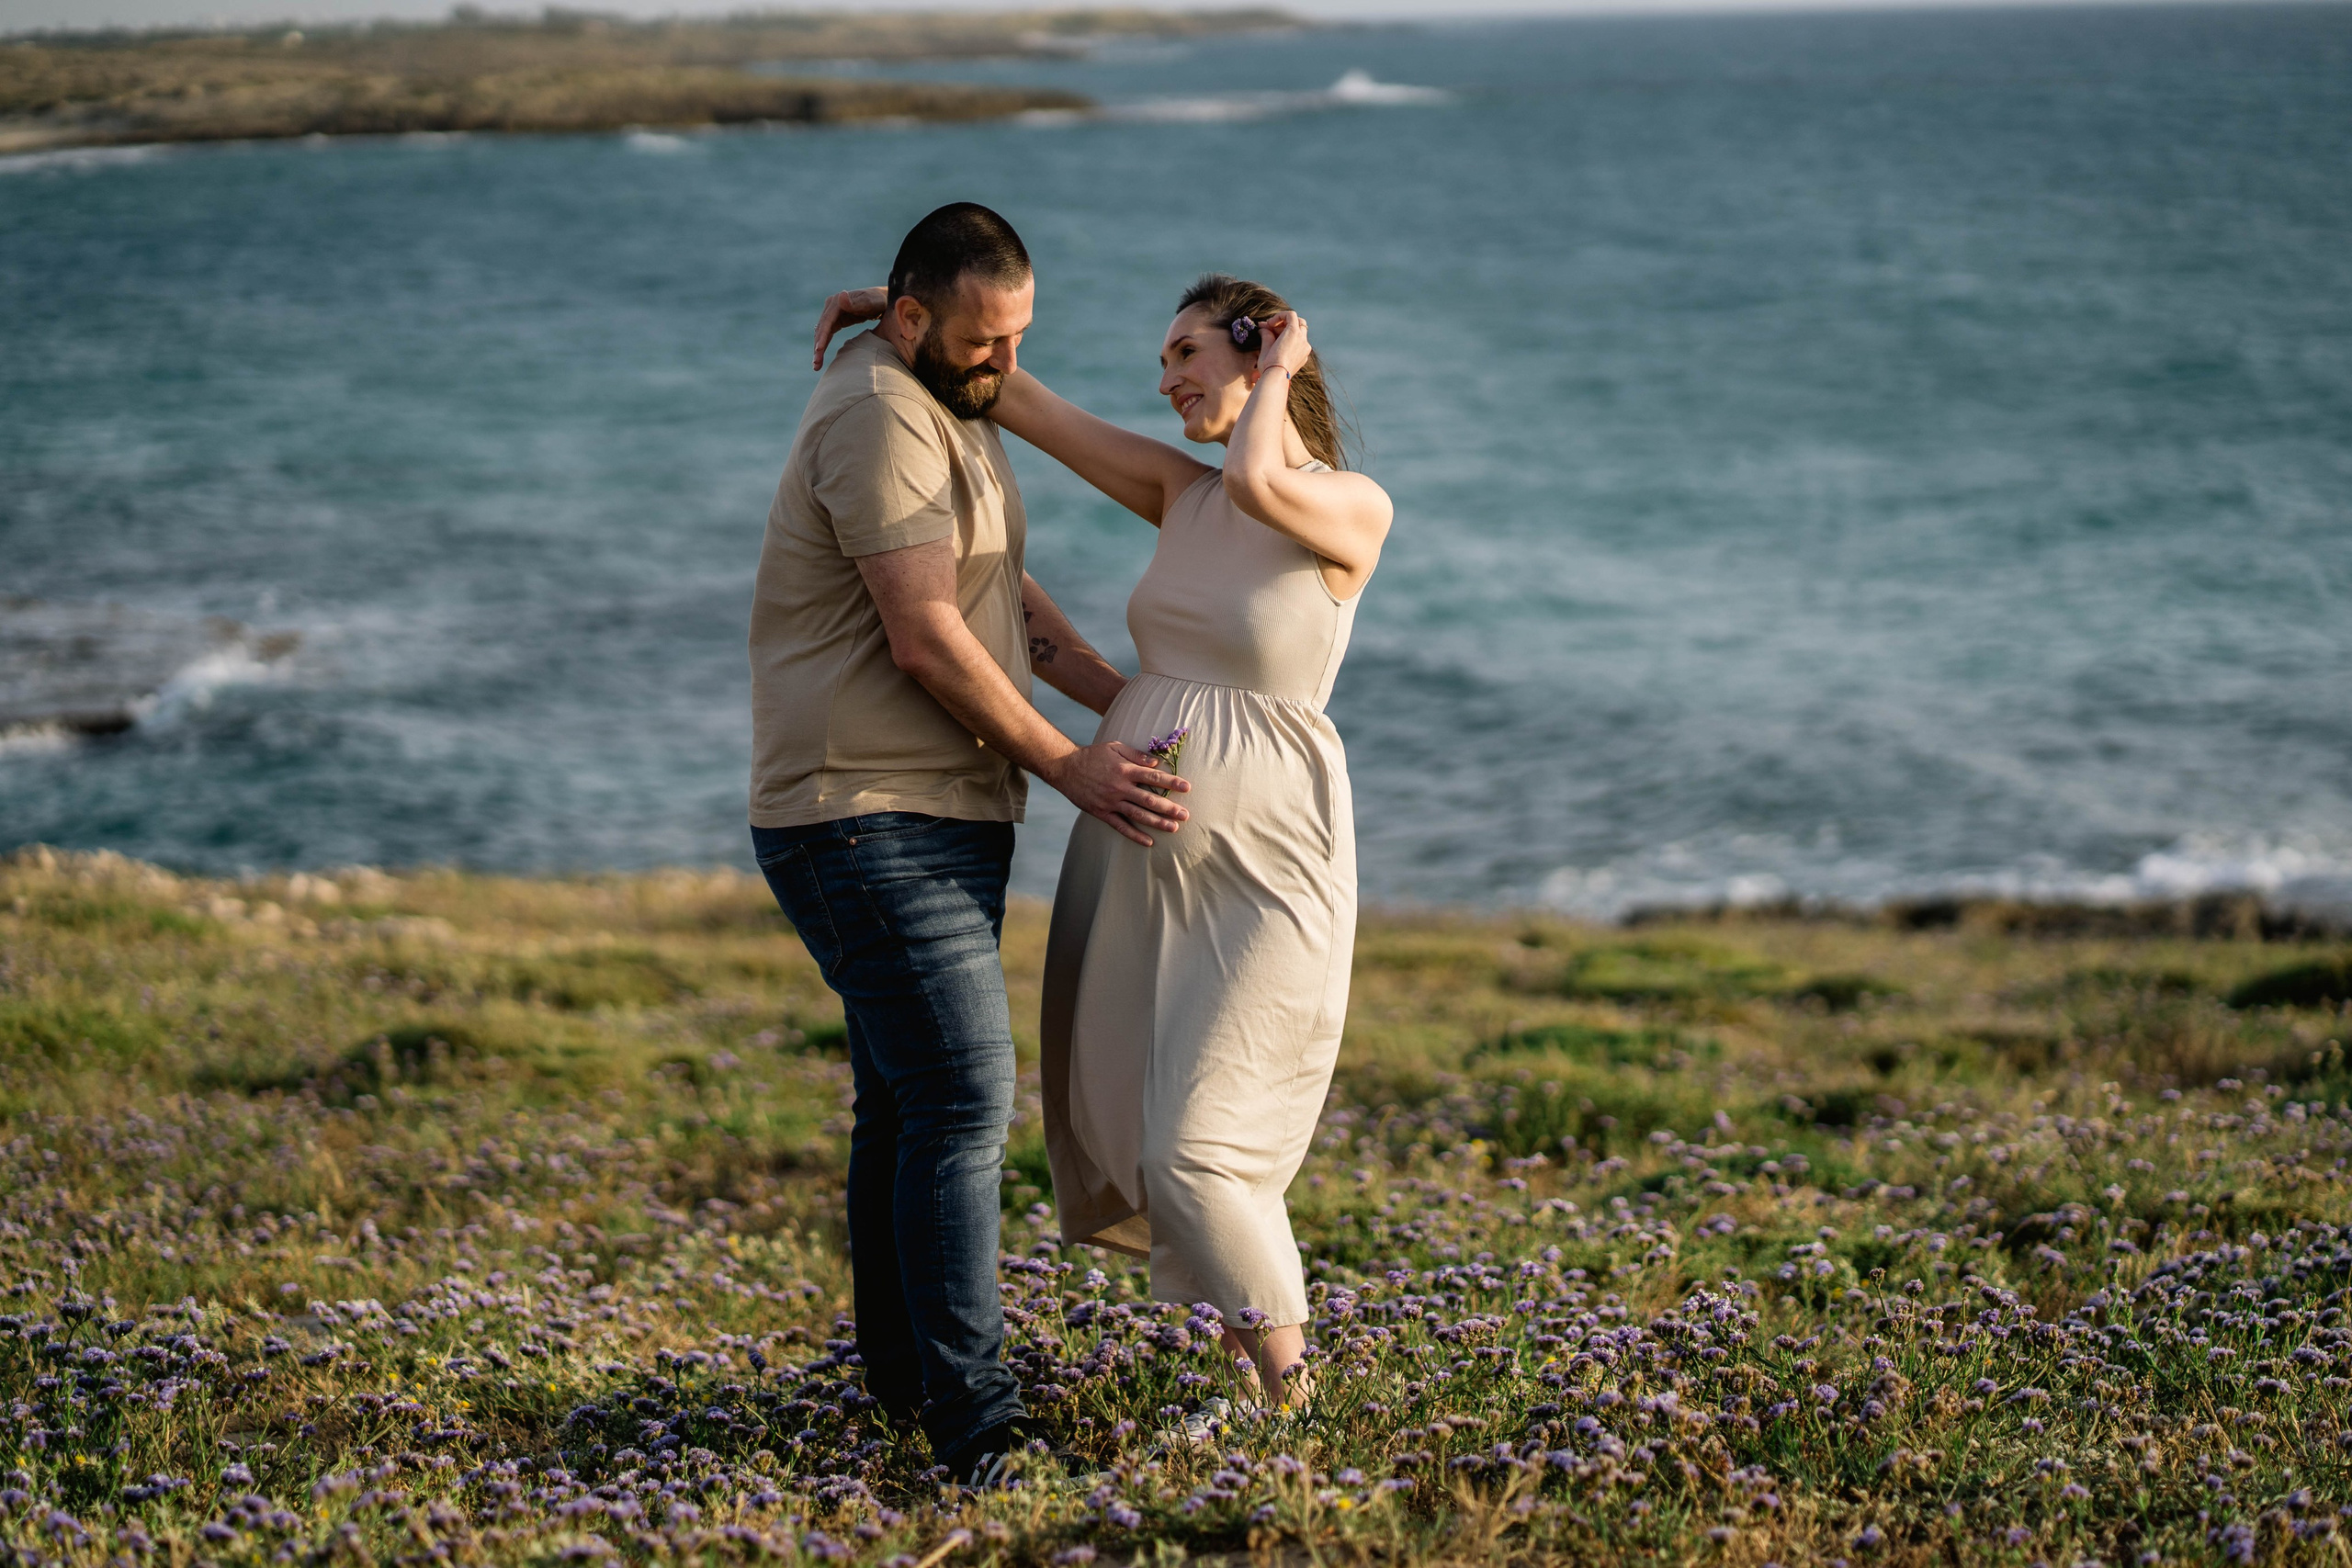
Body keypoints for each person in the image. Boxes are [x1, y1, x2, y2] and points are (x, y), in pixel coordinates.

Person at [812, 270, 1392, 1411]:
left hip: (1266, 854)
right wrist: (915, 310)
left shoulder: (1346, 503)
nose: (1168, 379)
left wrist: (1280, 370)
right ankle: (1252, 1398)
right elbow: (1014, 396)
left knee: (1202, 1143)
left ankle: (1302, 1417)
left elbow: (1267, 476)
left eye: (1188, 354)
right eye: (1163, 361)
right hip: (1138, 845)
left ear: (1261, 352)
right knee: (1147, 1124)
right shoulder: (1187, 496)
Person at [750, 202, 1193, 1487]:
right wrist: (1073, 767)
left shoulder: (942, 392)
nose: (1004, 359)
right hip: (861, 810)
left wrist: (1134, 702)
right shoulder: (882, 411)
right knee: (959, 1095)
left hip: (928, 809)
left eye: (1021, 338)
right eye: (985, 337)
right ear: (912, 321)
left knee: (904, 1100)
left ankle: (900, 1386)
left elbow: (1002, 602)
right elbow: (928, 634)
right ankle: (976, 1429)